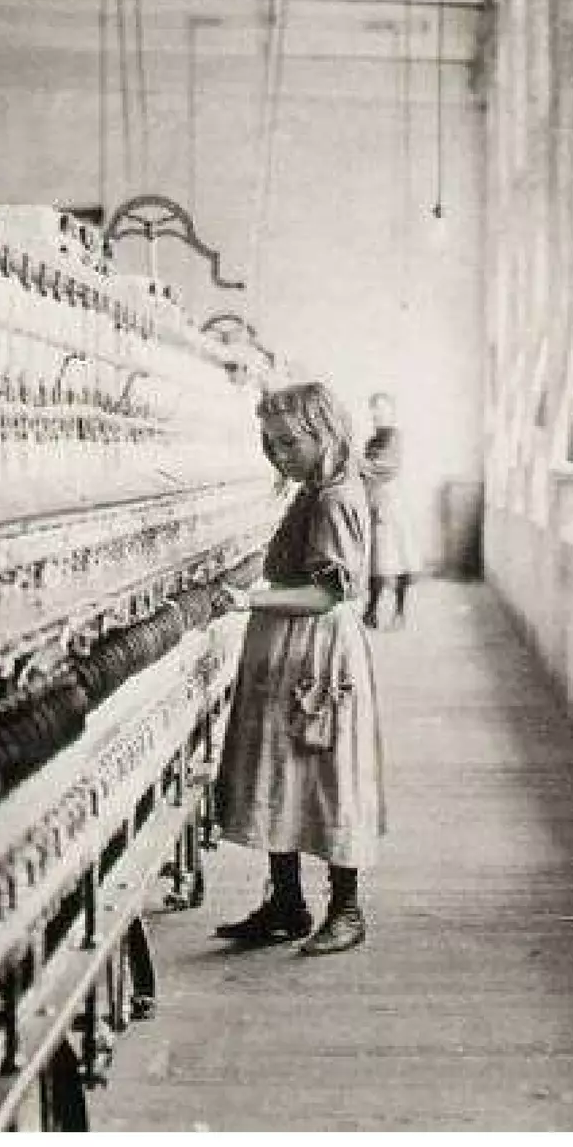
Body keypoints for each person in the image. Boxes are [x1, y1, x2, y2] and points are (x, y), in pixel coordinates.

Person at [208, 382, 386, 956]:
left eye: (288, 441)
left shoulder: (334, 499)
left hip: (316, 653)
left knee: (326, 775)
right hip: (288, 651)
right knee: (279, 771)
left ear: (324, 434)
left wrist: (247, 601)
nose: (276, 452)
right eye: (269, 441)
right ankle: (286, 904)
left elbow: (325, 595)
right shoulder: (315, 491)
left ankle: (347, 909)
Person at [360, 392, 419, 629]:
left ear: (391, 412)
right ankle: (372, 611)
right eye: (373, 409)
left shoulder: (394, 437)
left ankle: (399, 611)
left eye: (381, 409)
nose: (376, 413)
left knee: (398, 558)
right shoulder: (373, 439)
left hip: (392, 501)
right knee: (377, 559)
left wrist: (360, 465)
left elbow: (387, 468)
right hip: (375, 501)